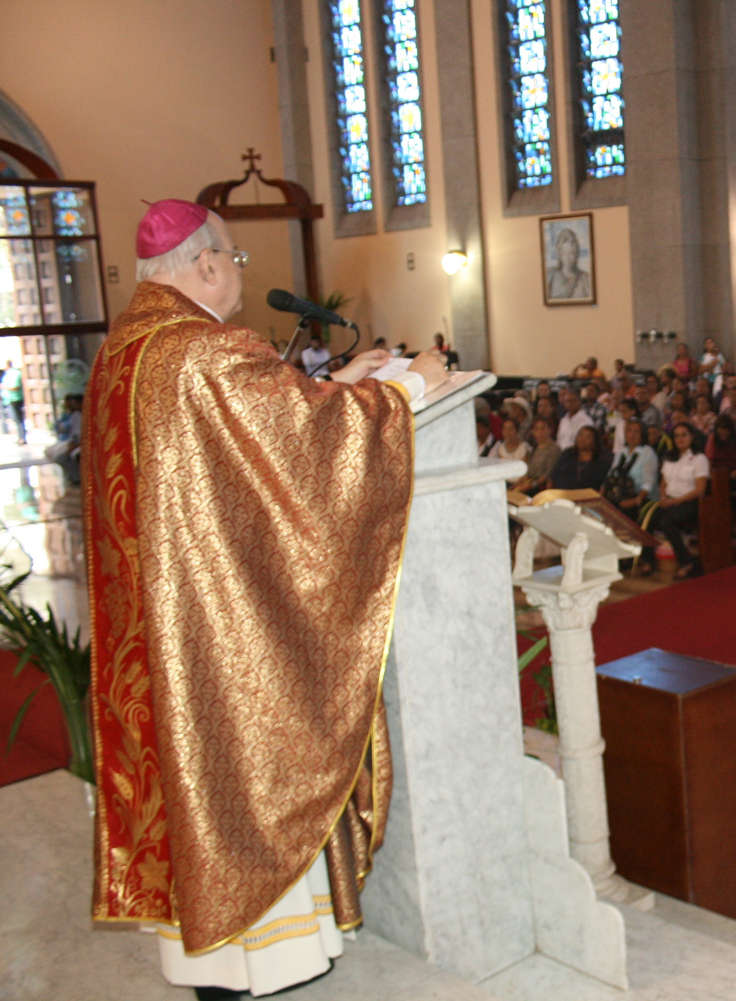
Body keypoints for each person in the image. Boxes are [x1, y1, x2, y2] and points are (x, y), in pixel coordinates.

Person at [85, 199, 448, 997]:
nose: (238, 275)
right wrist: (407, 392)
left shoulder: (127, 350)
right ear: (206, 261)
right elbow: (295, 446)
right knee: (247, 771)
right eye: (236, 260)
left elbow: (251, 430)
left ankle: (205, 951)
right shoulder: (205, 350)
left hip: (160, 624)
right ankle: (263, 957)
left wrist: (329, 384)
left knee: (190, 778)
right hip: (219, 626)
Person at [655, 423, 710, 578]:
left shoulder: (699, 458)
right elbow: (663, 482)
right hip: (670, 500)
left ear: (692, 437)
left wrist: (675, 501)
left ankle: (687, 562)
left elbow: (700, 489)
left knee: (667, 522)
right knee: (646, 518)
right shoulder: (670, 457)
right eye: (677, 435)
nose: (680, 438)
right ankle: (649, 560)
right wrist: (664, 497)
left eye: (684, 434)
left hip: (691, 502)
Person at [549, 424, 612, 491]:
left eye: (588, 437)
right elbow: (552, 477)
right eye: (581, 435)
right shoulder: (567, 454)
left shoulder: (602, 458)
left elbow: (605, 483)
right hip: (561, 495)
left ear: (595, 441)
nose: (582, 439)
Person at [518, 417, 561, 493]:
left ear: (549, 430)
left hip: (541, 486)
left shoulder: (554, 449)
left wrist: (531, 485)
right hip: (530, 481)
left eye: (543, 428)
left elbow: (548, 474)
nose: (540, 432)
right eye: (536, 429)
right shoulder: (535, 447)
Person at [0, 361, 24, 442]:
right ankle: (20, 437)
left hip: (14, 398)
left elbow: (15, 387)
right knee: (16, 419)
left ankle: (22, 437)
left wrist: (4, 387)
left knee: (18, 419)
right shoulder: (8, 373)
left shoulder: (14, 373)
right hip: (9, 399)